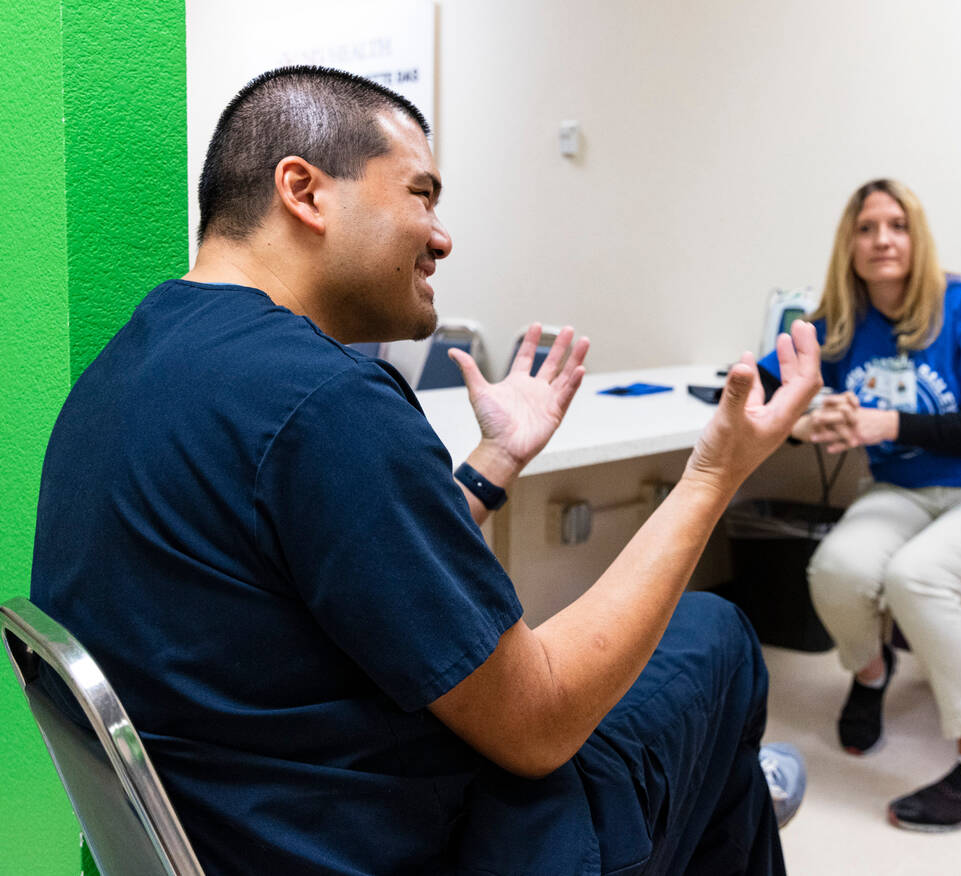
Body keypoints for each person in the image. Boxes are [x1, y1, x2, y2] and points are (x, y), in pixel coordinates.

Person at [30, 66, 819, 874]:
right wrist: (713, 475)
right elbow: (538, 724)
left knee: (716, 764)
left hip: (243, 830)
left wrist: (494, 460)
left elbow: (335, 572)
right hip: (422, 847)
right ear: (304, 192)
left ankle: (726, 794)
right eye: (421, 193)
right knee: (717, 638)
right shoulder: (324, 400)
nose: (441, 235)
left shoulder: (121, 373)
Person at [761, 178, 961, 831]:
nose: (881, 240)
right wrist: (806, 423)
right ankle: (871, 674)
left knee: (917, 579)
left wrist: (885, 425)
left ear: (916, 237)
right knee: (836, 569)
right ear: (849, 244)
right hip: (905, 493)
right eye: (866, 228)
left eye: (896, 225)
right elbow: (762, 391)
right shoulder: (840, 325)